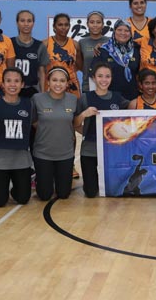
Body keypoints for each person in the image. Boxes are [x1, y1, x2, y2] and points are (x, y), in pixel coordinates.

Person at [75, 62, 129, 198]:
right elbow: (74, 123)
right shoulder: (85, 98)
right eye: (100, 76)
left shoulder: (118, 98)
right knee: (90, 192)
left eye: (107, 76)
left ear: (111, 78)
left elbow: (132, 113)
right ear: (93, 78)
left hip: (111, 150)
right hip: (90, 149)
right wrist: (84, 114)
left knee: (114, 190)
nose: (104, 80)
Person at [0, 67, 33, 207]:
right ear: (3, 84)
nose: (12, 84)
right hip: (0, 160)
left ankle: (10, 187)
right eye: (8, 81)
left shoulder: (29, 104)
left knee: (23, 199)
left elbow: (37, 125)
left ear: (22, 84)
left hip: (21, 160)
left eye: (16, 81)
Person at [31, 67, 80, 201]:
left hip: (65, 154)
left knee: (63, 194)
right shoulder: (37, 99)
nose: (58, 84)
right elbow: (33, 122)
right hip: (43, 154)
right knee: (44, 195)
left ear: (67, 83)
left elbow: (75, 123)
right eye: (54, 80)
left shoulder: (73, 99)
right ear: (48, 81)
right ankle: (41, 177)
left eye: (62, 81)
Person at [90, 19, 140, 101]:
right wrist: (94, 98)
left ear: (131, 33)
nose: (123, 33)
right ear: (114, 31)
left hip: (133, 98)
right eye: (119, 30)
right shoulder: (103, 50)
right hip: (109, 99)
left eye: (127, 31)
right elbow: (93, 75)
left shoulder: (137, 49)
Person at [41, 13, 83, 98]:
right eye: (60, 25)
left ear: (69, 26)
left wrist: (68, 70)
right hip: (51, 84)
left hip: (71, 85)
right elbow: (41, 69)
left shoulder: (75, 44)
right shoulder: (45, 44)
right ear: (54, 26)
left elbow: (80, 66)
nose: (63, 27)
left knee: (74, 106)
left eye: (66, 25)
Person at [12, 10, 48, 98]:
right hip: (12, 89)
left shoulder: (40, 46)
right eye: (22, 21)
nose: (26, 24)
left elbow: (42, 72)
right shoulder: (9, 43)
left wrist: (42, 93)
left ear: (33, 23)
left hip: (32, 90)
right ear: (17, 23)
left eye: (29, 21)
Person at [78, 11, 109, 92]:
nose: (95, 25)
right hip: (87, 86)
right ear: (87, 24)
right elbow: (81, 65)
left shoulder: (110, 42)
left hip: (107, 86)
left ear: (103, 25)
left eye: (98, 22)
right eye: (92, 22)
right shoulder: (82, 42)